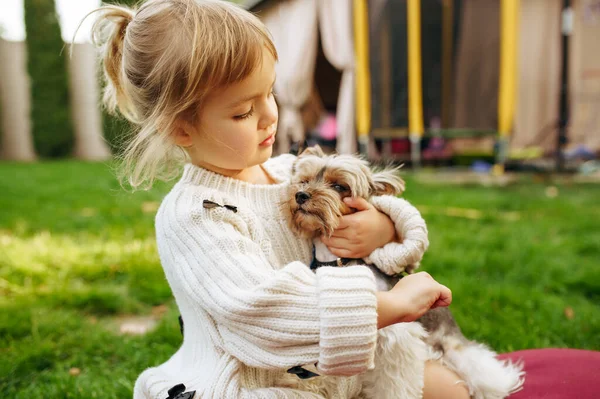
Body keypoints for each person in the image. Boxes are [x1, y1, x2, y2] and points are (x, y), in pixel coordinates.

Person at [88, 1, 472, 398]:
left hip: (339, 365)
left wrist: (384, 226)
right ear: (181, 129)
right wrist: (389, 307)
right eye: (242, 112)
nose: (269, 116)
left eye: (269, 93)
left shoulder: (292, 172)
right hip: (255, 382)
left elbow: (369, 192)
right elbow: (264, 313)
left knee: (454, 390)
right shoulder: (195, 216)